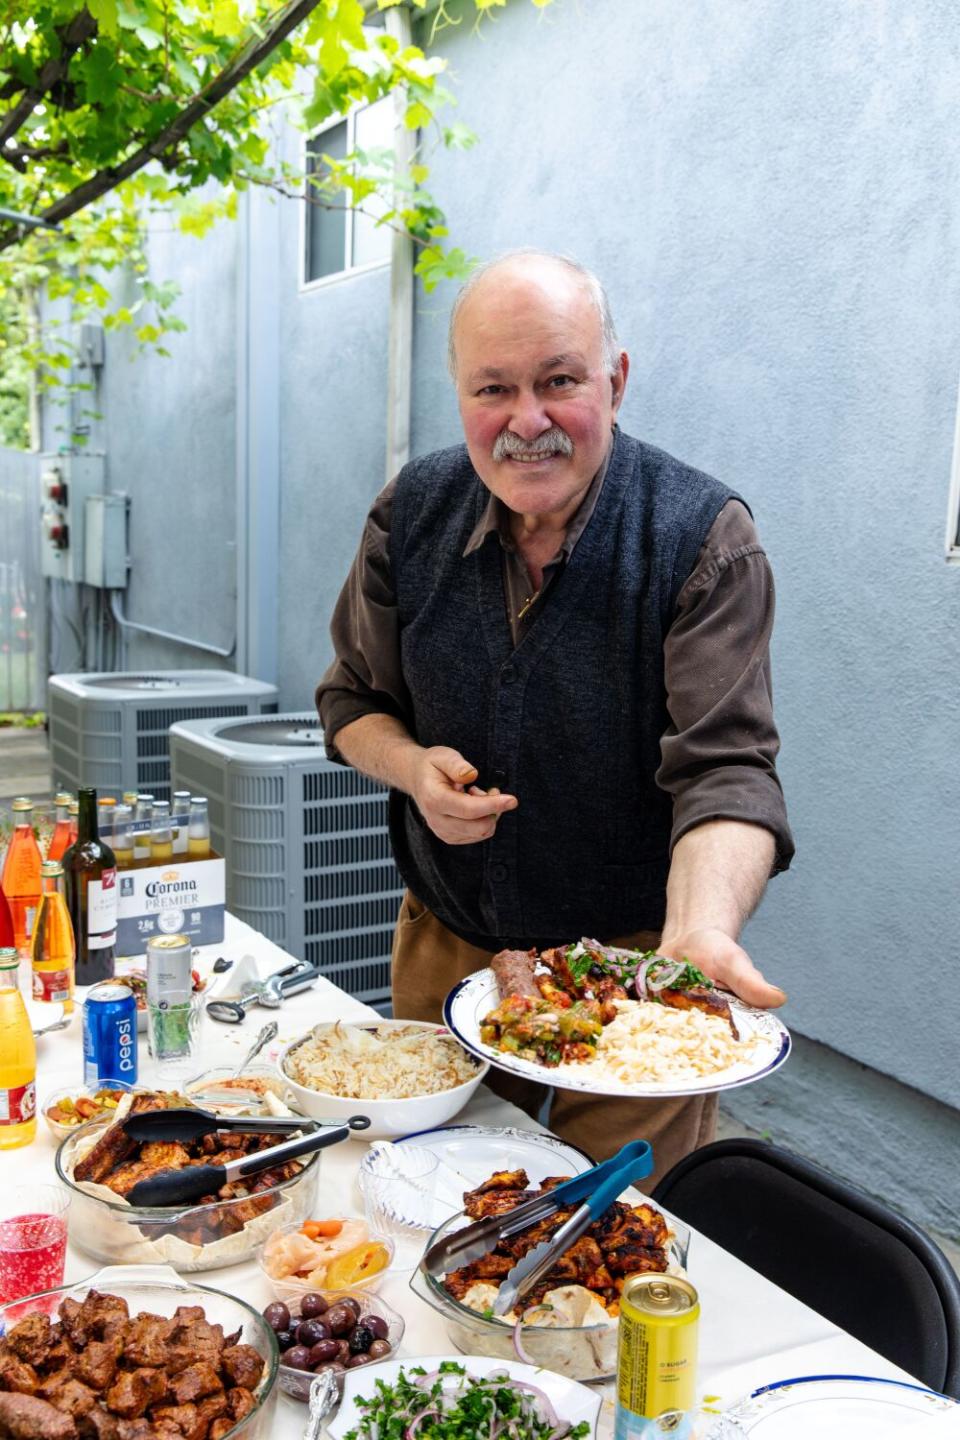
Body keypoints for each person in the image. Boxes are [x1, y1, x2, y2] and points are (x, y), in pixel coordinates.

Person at [316, 249, 794, 1184]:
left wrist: (697, 931)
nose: (526, 422)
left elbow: (727, 770)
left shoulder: (702, 539)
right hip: (444, 945)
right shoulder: (408, 514)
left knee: (600, 1241)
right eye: (493, 389)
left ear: (615, 381)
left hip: (632, 970)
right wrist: (413, 769)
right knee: (425, 1202)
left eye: (559, 381)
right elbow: (350, 702)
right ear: (459, 395)